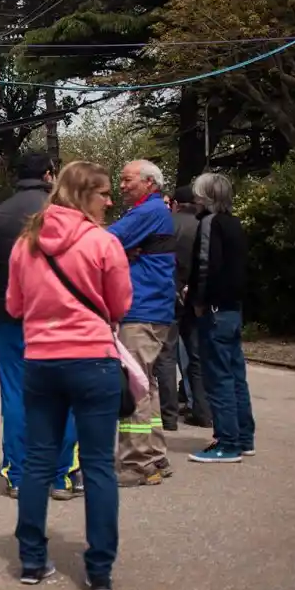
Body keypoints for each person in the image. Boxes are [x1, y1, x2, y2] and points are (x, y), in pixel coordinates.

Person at [5, 160, 130, 590]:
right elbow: (120, 305)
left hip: (40, 361)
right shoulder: (102, 242)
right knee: (98, 466)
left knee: (38, 462)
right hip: (93, 361)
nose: (110, 201)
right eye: (104, 193)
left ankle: (32, 562)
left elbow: (14, 306)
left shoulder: (27, 243)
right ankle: (99, 572)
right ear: (84, 194)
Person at [0, 150, 57, 499]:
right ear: (49, 175)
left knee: (15, 393)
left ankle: (19, 473)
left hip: (11, 319)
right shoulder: (61, 213)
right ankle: (60, 475)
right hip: (57, 320)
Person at [107, 160, 178, 487]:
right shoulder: (153, 212)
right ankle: (154, 456)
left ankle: (137, 464)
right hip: (153, 310)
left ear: (150, 182)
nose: (121, 186)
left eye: (126, 180)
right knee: (145, 385)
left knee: (134, 386)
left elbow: (105, 242)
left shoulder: (146, 213)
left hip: (141, 310)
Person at [185, 173, 255, 463]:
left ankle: (227, 442)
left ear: (206, 196)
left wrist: (199, 301)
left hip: (213, 310)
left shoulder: (209, 224)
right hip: (232, 308)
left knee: (218, 378)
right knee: (236, 374)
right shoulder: (235, 223)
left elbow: (205, 266)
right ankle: (243, 437)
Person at [154, 185, 211, 429]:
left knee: (166, 354)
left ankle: (169, 417)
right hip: (197, 296)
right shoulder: (204, 225)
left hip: (170, 294)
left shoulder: (167, 223)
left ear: (175, 203)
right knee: (197, 354)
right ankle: (203, 410)